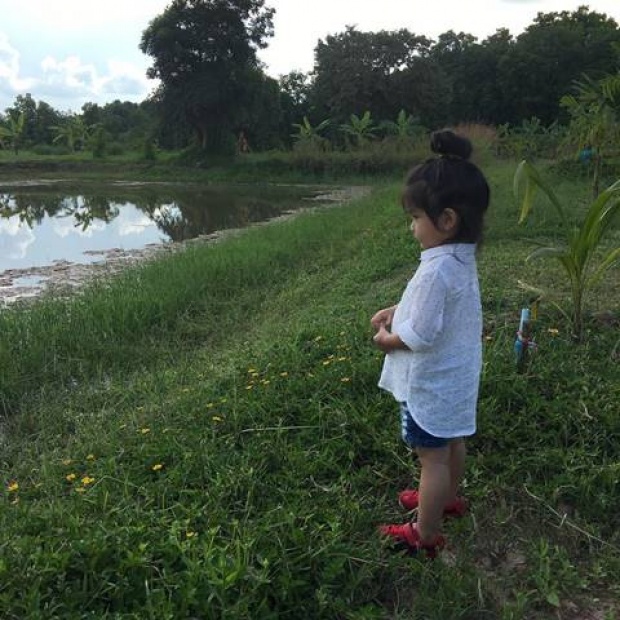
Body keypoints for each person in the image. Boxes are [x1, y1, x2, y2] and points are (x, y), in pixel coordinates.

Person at [371, 129, 490, 558]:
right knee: (452, 443)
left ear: (447, 220)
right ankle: (447, 499)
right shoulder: (460, 259)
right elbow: (435, 311)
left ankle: (425, 532)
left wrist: (389, 337)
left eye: (416, 217)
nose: (411, 227)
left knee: (431, 459)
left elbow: (418, 334)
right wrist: (398, 309)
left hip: (433, 385)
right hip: (457, 381)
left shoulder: (436, 268)